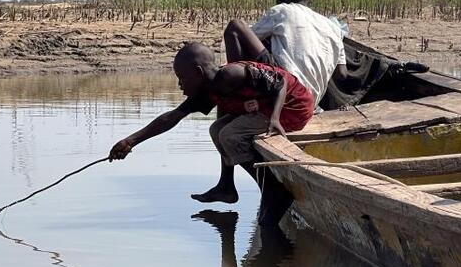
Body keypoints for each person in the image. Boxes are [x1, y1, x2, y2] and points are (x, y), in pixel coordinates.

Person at [108, 42, 314, 204]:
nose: (179, 85)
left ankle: (272, 190)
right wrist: (130, 141)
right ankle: (227, 187)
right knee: (217, 129)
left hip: (292, 107)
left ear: (198, 73)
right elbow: (171, 117)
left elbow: (280, 82)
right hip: (268, 108)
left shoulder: (231, 74)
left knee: (229, 134)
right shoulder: (207, 91)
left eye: (182, 78)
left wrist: (275, 119)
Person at [222, 0, 346, 108]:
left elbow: (247, 37)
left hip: (286, 91)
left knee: (235, 28)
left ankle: (240, 95)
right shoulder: (333, 28)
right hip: (310, 103)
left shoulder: (281, 11)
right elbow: (342, 74)